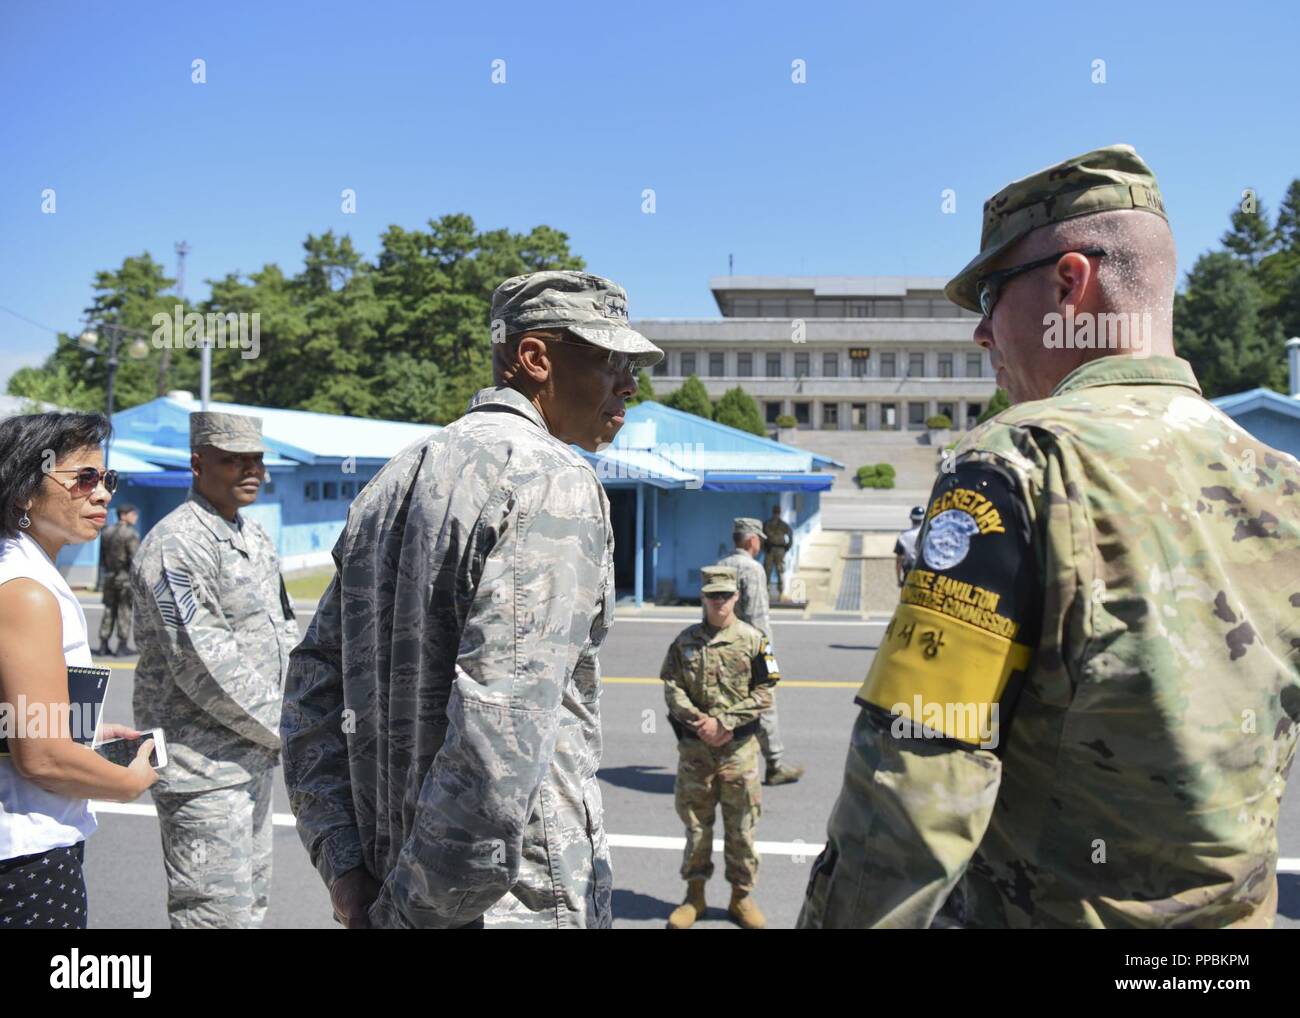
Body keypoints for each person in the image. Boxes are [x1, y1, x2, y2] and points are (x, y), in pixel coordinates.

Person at [800, 144, 1300, 929]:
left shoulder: (1019, 460)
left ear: (1071, 284)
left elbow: (916, 786)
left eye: (991, 296)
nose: (982, 334)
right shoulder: (1283, 484)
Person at [282, 270, 663, 929]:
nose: (629, 384)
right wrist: (412, 914)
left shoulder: (392, 480)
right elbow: (499, 738)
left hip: (390, 888)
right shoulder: (551, 479)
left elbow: (311, 692)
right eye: (611, 361)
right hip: (504, 907)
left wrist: (345, 869)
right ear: (536, 358)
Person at [131, 411, 298, 929]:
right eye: (233, 461)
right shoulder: (176, 546)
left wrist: (309, 700)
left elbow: (284, 633)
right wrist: (298, 728)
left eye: (256, 460)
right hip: (201, 771)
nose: (250, 471)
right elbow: (206, 665)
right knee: (213, 917)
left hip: (248, 761)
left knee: (247, 911)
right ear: (198, 464)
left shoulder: (251, 535)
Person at [0, 412, 157, 929]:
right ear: (24, 491)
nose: (103, 493)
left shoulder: (20, 572)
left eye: (107, 479)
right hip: (27, 859)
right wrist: (126, 782)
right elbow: (42, 756)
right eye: (84, 478)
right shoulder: (26, 590)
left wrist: (82, 737)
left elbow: (23, 723)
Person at [661, 565, 780, 930]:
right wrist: (701, 722)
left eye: (725, 595)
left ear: (736, 597)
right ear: (703, 597)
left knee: (742, 828)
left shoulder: (755, 640)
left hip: (738, 751)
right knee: (697, 828)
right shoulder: (684, 642)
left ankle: (740, 898)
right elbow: (671, 686)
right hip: (696, 752)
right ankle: (694, 896)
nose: (719, 602)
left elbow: (766, 691)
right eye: (712, 595)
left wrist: (725, 722)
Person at [717, 516, 803, 786]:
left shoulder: (720, 565)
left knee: (725, 705)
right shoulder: (751, 569)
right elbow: (757, 618)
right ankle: (775, 764)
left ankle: (723, 765)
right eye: (759, 543)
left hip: (721, 649)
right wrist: (766, 655)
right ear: (752, 540)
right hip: (748, 650)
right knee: (764, 703)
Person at [97, 502, 140, 657]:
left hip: (109, 576)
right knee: (124, 611)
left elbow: (101, 558)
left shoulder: (107, 531)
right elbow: (135, 560)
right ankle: (122, 646)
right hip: (125, 579)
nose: (135, 517)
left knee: (109, 610)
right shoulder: (130, 534)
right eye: (133, 514)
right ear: (124, 515)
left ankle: (103, 644)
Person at [762, 506, 792, 597]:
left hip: (780, 550)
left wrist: (787, 547)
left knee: (780, 571)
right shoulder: (767, 524)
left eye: (777, 512)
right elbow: (762, 537)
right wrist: (764, 547)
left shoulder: (783, 525)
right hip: (770, 550)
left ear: (779, 513)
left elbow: (790, 535)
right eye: (775, 512)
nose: (776, 514)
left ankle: (781, 592)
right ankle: (765, 592)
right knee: (767, 571)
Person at [893, 506, 925, 587]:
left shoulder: (903, 536)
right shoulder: (928, 535)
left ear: (911, 518)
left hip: (909, 575)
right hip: (925, 576)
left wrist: (899, 580)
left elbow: (898, 562)